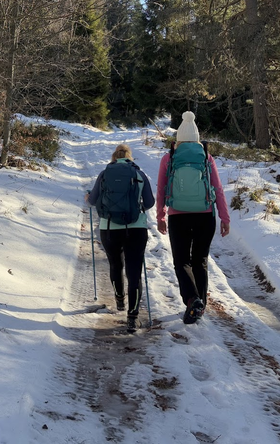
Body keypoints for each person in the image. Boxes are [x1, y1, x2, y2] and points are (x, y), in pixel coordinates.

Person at [156, 111, 230, 325]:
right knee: (200, 260)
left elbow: (161, 189)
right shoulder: (206, 157)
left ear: (178, 138)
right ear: (197, 138)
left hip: (178, 216)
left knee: (182, 261)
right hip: (205, 216)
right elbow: (217, 188)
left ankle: (192, 299)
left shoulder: (169, 157)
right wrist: (225, 218)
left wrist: (161, 215)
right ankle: (200, 306)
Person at [86, 144, 155, 333]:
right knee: (134, 272)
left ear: (113, 157)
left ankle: (119, 300)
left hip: (109, 228)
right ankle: (132, 317)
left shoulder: (104, 174)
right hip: (136, 229)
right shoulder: (139, 175)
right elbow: (149, 203)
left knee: (116, 265)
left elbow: (92, 201)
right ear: (130, 157)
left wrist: (88, 197)